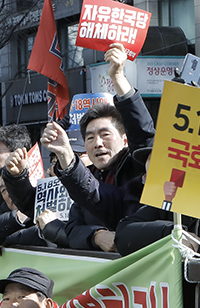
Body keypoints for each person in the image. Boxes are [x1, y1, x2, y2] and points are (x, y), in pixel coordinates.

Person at [39, 42, 154, 252]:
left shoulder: (137, 168)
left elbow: (144, 135)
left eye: (105, 134)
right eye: (90, 138)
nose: (98, 143)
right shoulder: (89, 175)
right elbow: (73, 228)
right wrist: (96, 236)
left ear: (125, 139)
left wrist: (119, 78)